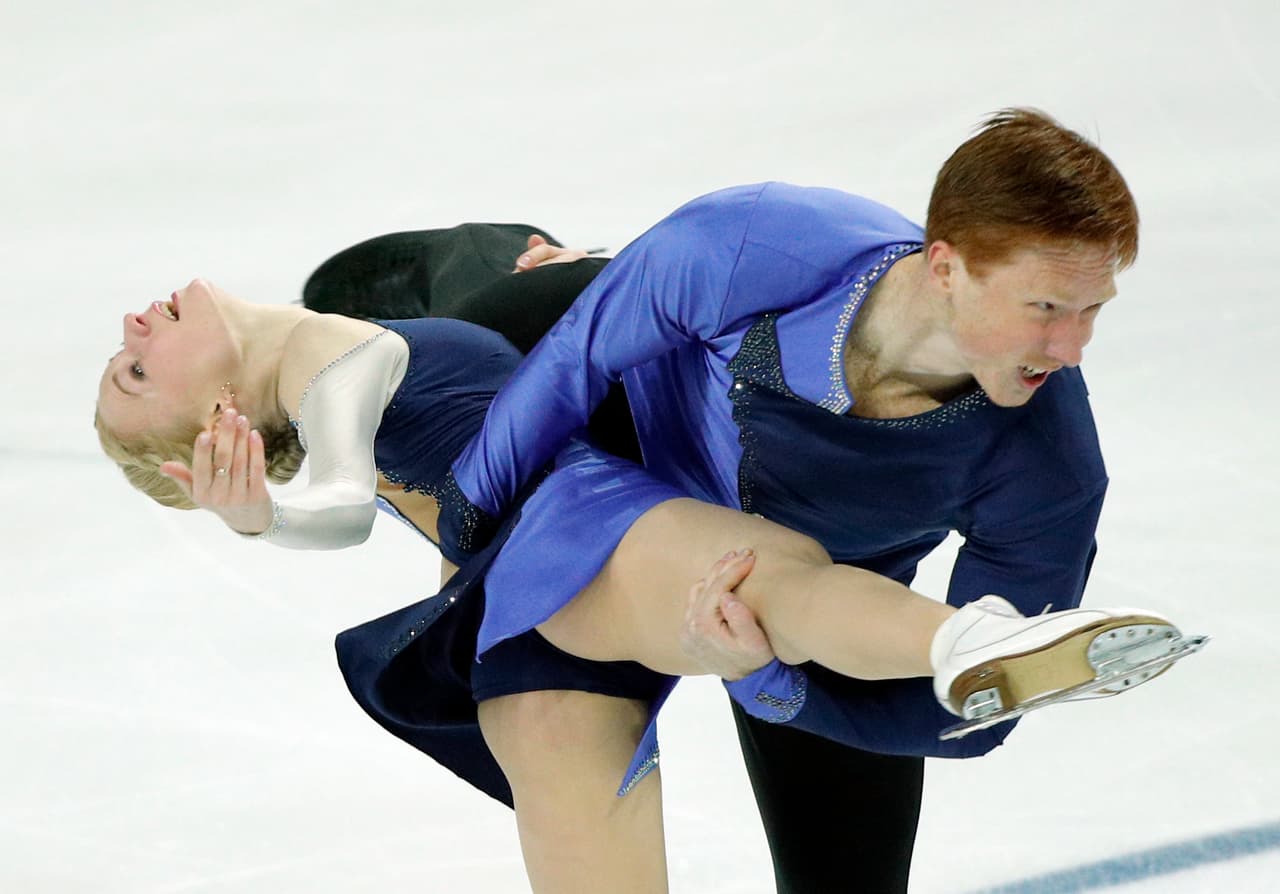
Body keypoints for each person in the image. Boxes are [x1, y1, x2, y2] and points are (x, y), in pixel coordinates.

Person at [93, 270, 1193, 891]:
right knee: (776, 591)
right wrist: (256, 515)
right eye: (137, 373)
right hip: (580, 536)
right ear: (212, 421)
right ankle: (964, 646)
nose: (132, 328)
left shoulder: (340, 317)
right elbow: (333, 505)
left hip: (516, 635)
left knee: (750, 613)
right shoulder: (328, 360)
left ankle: (968, 650)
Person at [399, 108, 1199, 893]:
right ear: (946, 266)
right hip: (618, 429)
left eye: (1093, 310)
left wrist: (767, 679)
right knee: (451, 342)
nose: (1074, 348)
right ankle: (513, 257)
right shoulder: (757, 244)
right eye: (1047, 309)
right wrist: (470, 527)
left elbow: (969, 714)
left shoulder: (1049, 466)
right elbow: (576, 357)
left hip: (814, 615)